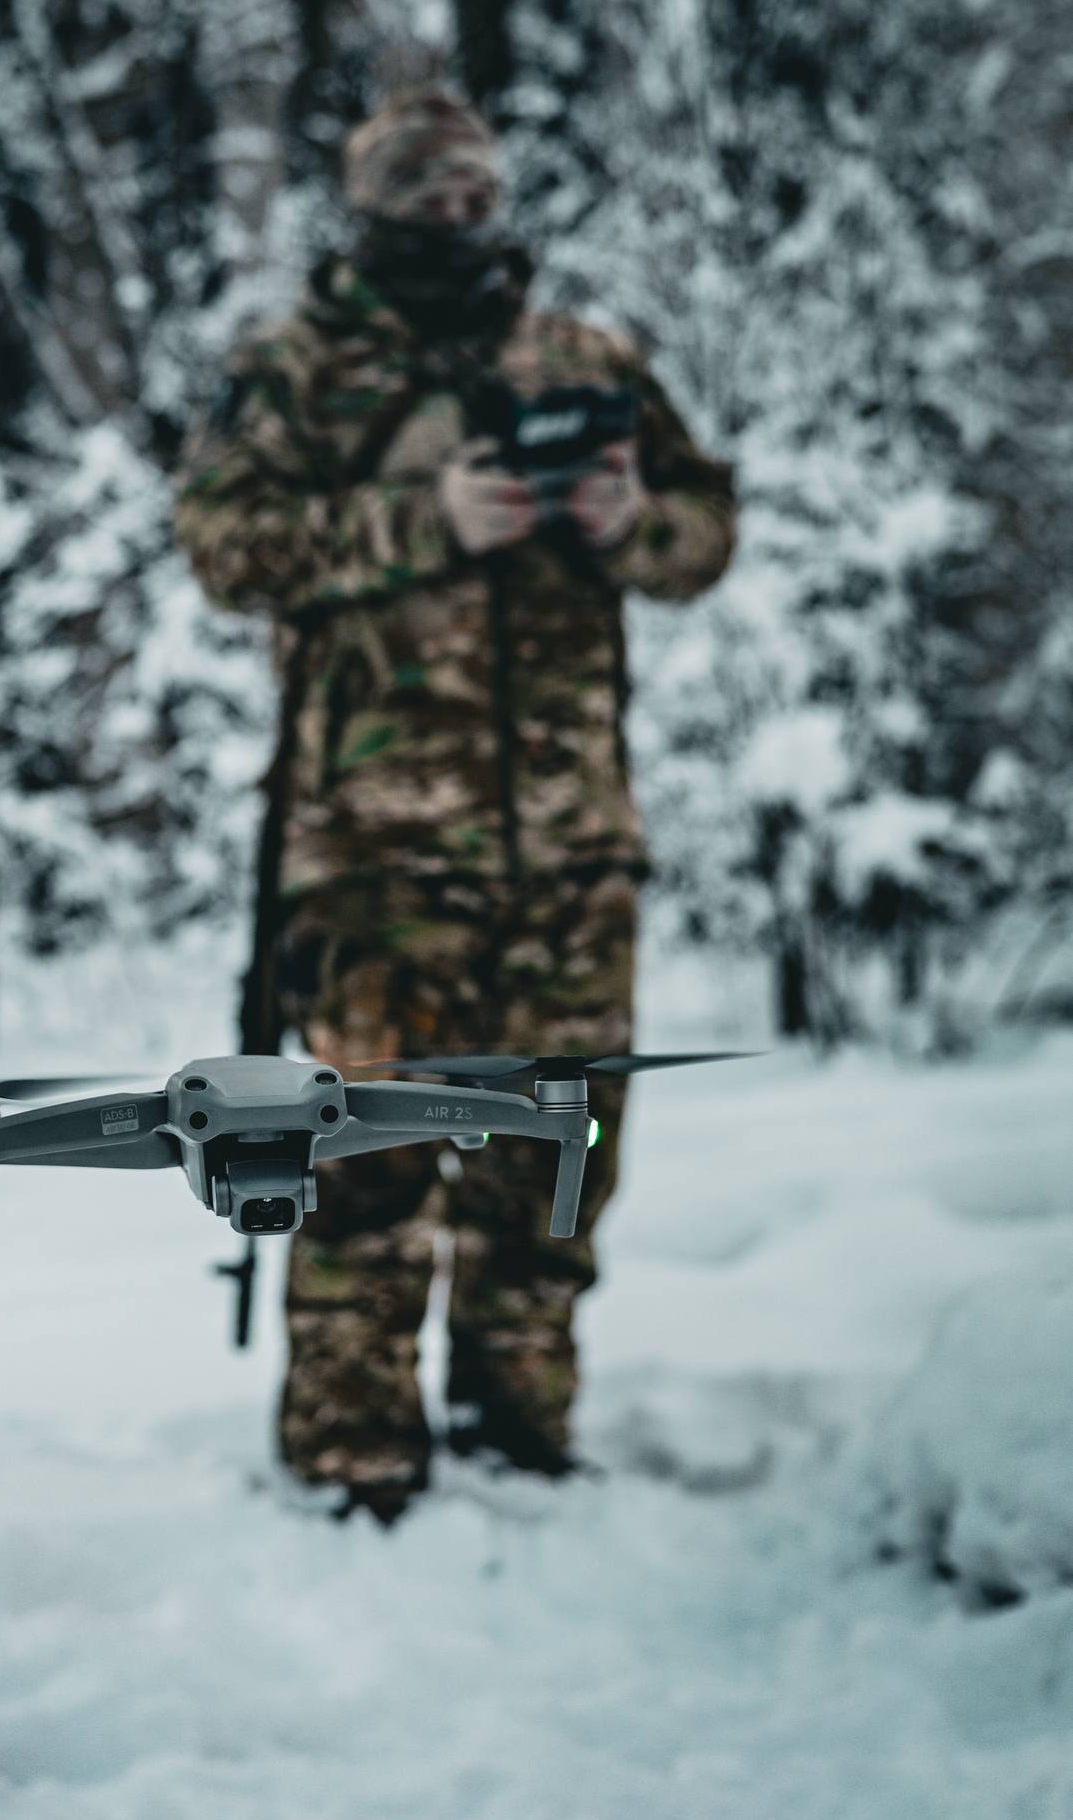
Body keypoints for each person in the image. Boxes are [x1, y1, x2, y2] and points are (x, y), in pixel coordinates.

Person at [174, 89, 736, 1525]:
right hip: (373, 848)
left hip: (570, 839)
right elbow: (227, 548)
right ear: (370, 211)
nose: (457, 217)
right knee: (368, 1150)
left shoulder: (580, 357)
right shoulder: (297, 369)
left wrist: (628, 525)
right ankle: (353, 1449)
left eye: (474, 192)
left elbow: (702, 528)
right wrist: (426, 520)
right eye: (425, 196)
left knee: (560, 1149)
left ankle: (519, 1422)